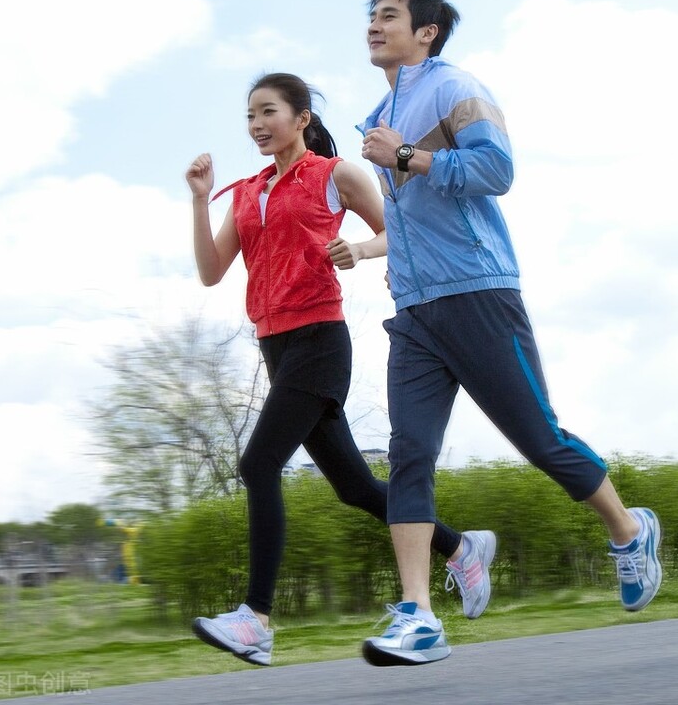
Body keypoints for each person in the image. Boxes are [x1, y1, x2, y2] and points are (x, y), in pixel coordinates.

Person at [355, 0, 662, 668]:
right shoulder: (378, 112)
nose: (374, 26)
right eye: (371, 16)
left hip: (478, 293)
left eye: (389, 15)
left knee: (539, 438)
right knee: (409, 454)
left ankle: (626, 529)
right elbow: (411, 215)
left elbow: (496, 170)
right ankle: (418, 615)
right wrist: (395, 259)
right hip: (416, 311)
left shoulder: (456, 87)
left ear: (426, 31)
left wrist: (404, 155)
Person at [185, 72, 497, 667]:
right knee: (355, 488)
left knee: (257, 464)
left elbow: (397, 230)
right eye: (250, 115)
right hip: (276, 347)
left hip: (319, 343)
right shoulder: (247, 193)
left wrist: (359, 250)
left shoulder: (333, 175)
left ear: (301, 118)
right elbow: (210, 271)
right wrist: (200, 201)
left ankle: (256, 620)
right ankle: (461, 549)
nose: (256, 125)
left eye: (268, 112)